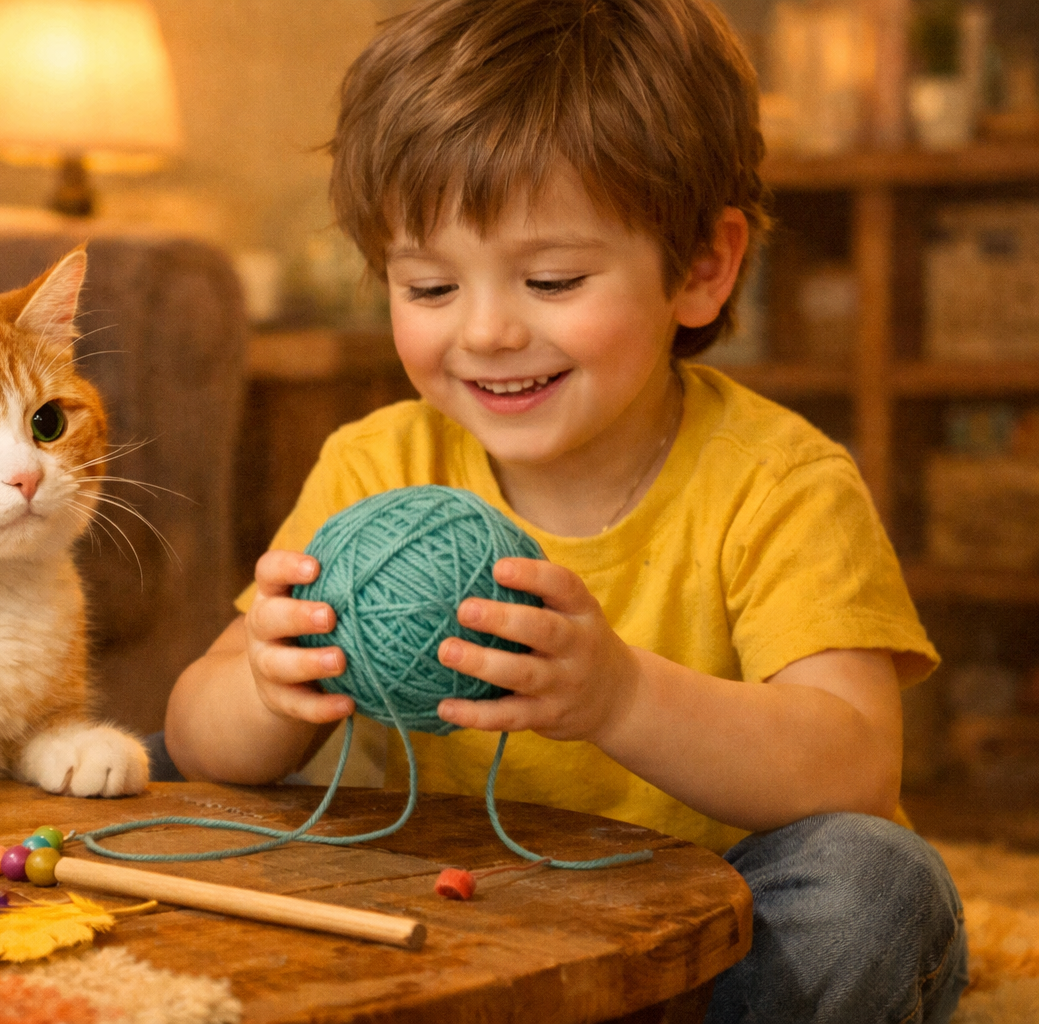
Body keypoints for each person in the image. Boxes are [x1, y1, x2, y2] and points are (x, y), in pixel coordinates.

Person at [163, 0, 966, 1019]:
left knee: (873, 885)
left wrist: (622, 699)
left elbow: (853, 765)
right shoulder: (380, 461)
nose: (490, 330)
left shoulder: (782, 480)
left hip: (719, 950)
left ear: (702, 267)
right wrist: (268, 690)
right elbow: (200, 735)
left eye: (552, 278)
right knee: (162, 782)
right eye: (431, 285)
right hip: (458, 924)